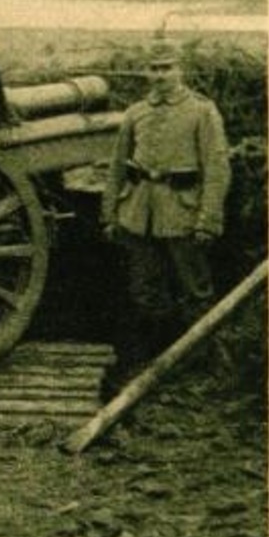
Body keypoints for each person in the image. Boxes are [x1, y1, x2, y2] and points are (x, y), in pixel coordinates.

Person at [102, 39, 231, 375]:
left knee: (195, 289)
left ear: (180, 70)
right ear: (147, 72)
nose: (160, 76)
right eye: (154, 69)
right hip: (140, 213)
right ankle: (158, 363)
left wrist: (208, 220)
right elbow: (118, 166)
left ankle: (206, 364)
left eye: (167, 68)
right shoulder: (136, 113)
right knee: (145, 290)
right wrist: (110, 214)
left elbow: (216, 167)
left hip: (183, 212)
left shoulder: (202, 111)